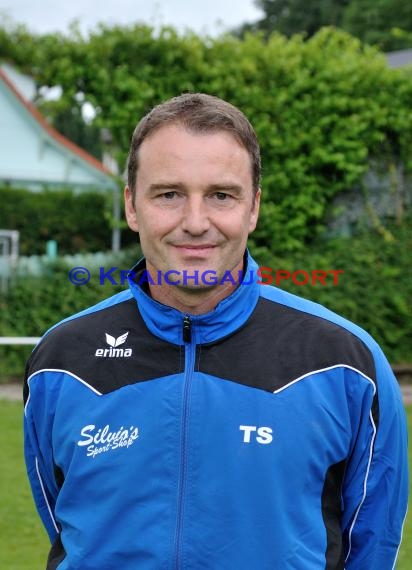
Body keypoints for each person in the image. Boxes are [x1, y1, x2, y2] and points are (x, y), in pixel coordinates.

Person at [24, 93, 408, 570]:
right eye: (169, 194)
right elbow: (64, 524)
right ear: (131, 206)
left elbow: (370, 546)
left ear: (253, 209)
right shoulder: (60, 361)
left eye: (221, 195)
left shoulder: (347, 363)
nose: (195, 222)